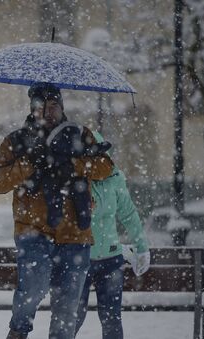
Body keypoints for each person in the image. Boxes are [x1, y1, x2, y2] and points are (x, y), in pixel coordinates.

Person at [0, 83, 114, 339]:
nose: (48, 111)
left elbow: (105, 167)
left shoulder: (80, 134)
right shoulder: (17, 140)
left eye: (54, 105)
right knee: (32, 289)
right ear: (32, 108)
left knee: (68, 307)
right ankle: (18, 332)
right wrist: (27, 164)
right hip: (33, 230)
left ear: (62, 107)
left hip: (75, 234)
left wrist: (75, 165)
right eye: (41, 106)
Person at [74, 132, 150, 339]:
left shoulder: (115, 177)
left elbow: (127, 212)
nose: (96, 159)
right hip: (78, 259)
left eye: (99, 154)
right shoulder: (72, 177)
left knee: (111, 318)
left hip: (110, 259)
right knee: (72, 318)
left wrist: (141, 246)